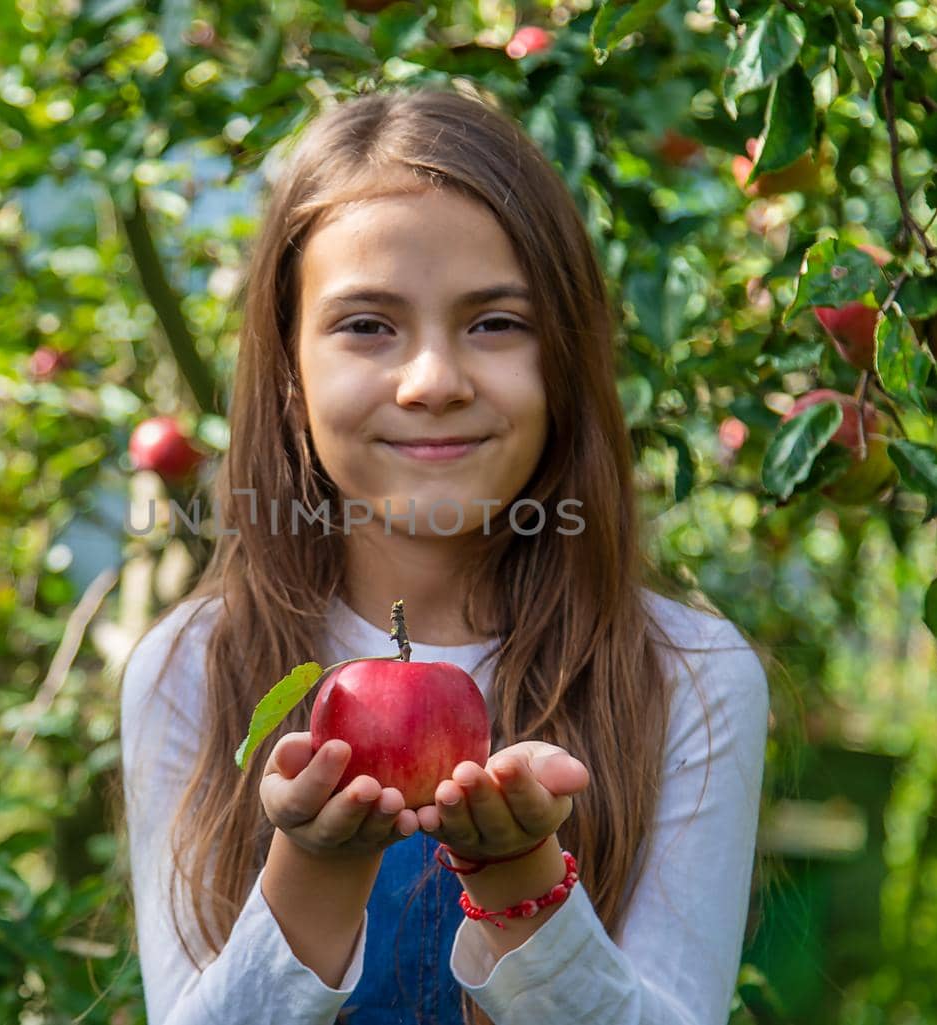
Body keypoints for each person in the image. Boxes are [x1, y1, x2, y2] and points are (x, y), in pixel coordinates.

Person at [117, 83, 769, 1025]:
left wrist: (522, 887)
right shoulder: (192, 667)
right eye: (367, 326)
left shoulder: (690, 678)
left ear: (565, 364)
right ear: (291, 373)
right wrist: (314, 869)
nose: (433, 380)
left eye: (496, 322)